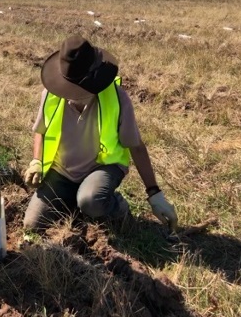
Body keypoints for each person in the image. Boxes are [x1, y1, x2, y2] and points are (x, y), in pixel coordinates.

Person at [21, 35, 177, 231]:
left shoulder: (117, 98)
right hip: (62, 171)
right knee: (32, 224)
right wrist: (36, 161)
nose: (74, 95)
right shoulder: (51, 95)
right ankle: (75, 198)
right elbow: (40, 132)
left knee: (91, 201)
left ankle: (115, 206)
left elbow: (136, 146)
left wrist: (155, 194)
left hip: (102, 167)